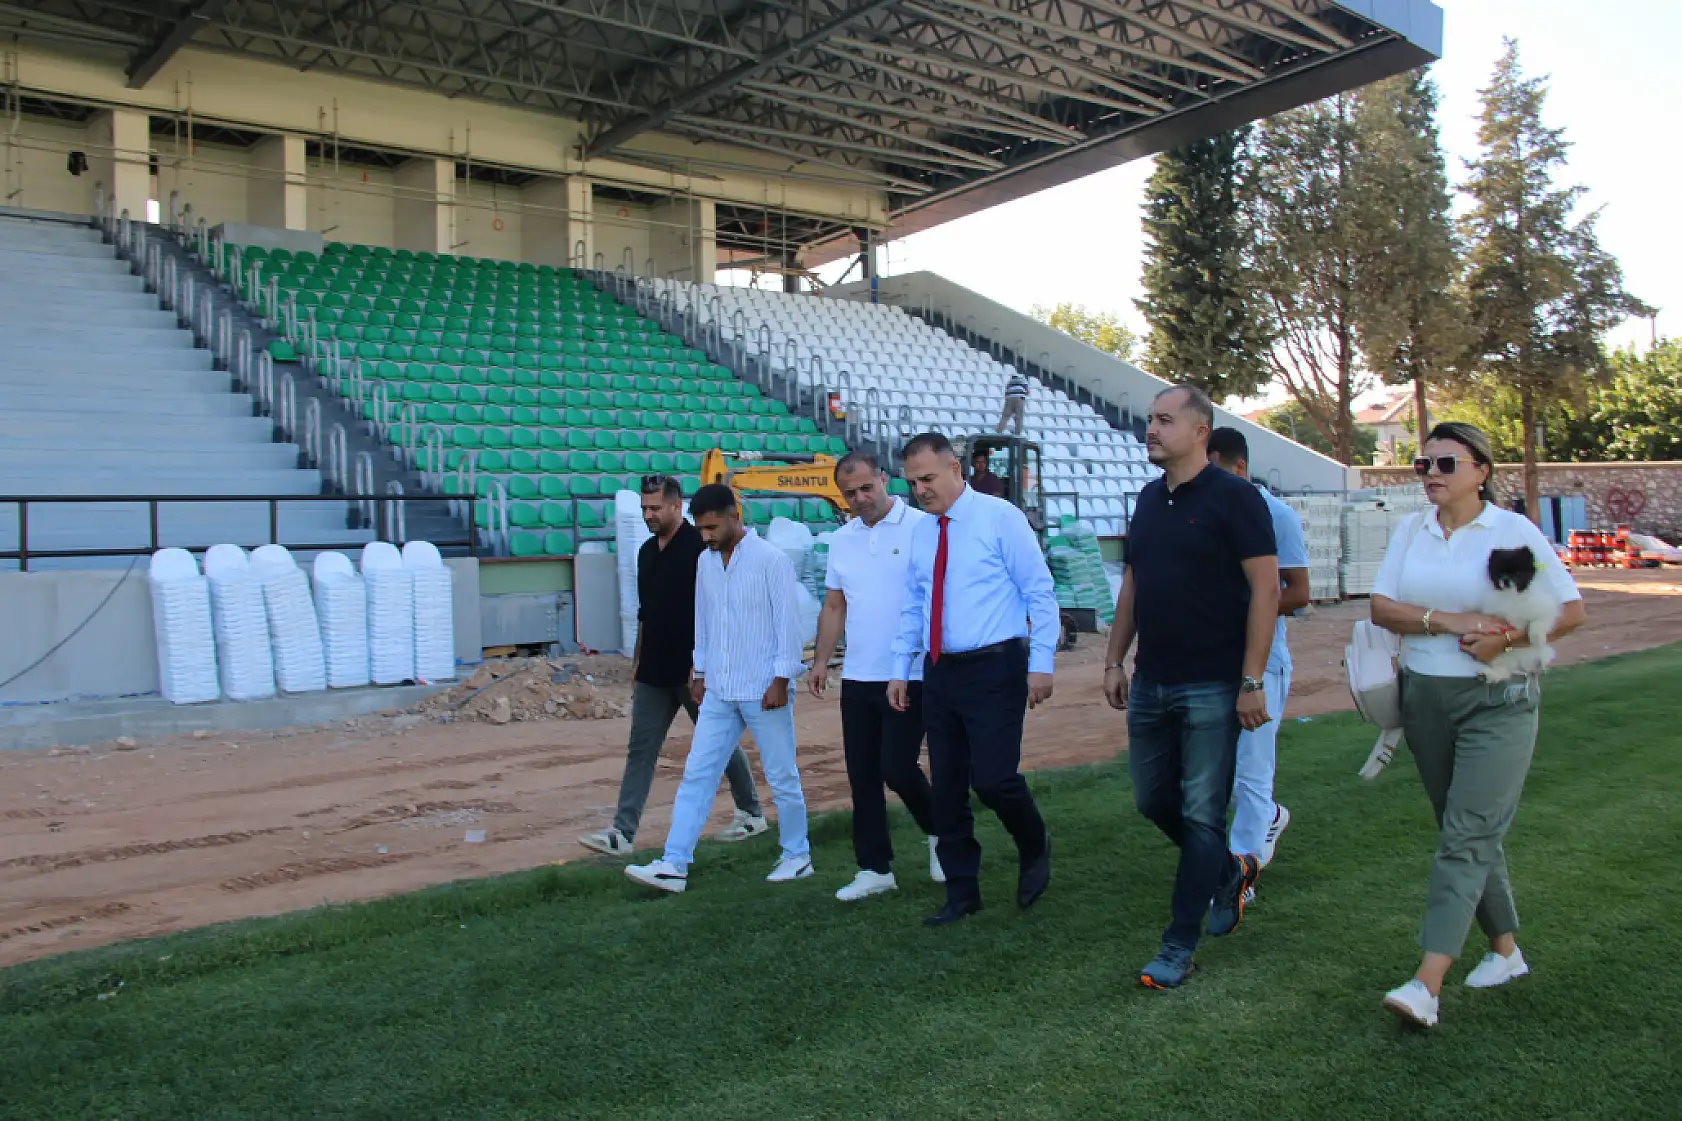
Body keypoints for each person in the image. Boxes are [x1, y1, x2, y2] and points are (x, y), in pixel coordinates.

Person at [1370, 422, 1585, 1028]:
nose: (1431, 475)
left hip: (1498, 700)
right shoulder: (1412, 530)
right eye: (1423, 465)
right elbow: (1382, 608)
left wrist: (1508, 639)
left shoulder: (1510, 531)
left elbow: (1572, 611)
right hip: (1425, 699)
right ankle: (1506, 953)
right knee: (1463, 829)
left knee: (1464, 836)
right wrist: (1447, 619)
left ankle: (1426, 982)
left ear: (1481, 471)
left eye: (1445, 464)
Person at [1102, 386, 1280, 990]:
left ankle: (1177, 946)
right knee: (1153, 801)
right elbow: (1133, 585)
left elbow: (1267, 592)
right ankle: (1229, 871)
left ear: (1201, 431)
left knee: (1203, 814)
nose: (1150, 429)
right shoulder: (1149, 501)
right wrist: (1113, 659)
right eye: (1149, 419)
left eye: (1164, 420)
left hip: (1213, 684)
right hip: (1152, 679)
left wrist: (1251, 680)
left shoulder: (1238, 500)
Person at [889, 432, 1057, 926]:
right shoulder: (922, 532)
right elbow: (916, 605)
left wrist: (1041, 662)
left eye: (928, 478)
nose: (920, 489)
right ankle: (962, 891)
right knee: (946, 788)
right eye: (913, 481)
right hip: (940, 671)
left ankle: (1034, 845)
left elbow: (1039, 591)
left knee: (994, 779)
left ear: (955, 469)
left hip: (996, 666)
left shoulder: (999, 517)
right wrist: (902, 668)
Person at [625, 484, 813, 894]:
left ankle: (797, 856)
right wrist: (701, 672)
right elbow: (705, 621)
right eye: (700, 529)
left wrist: (782, 680)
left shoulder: (771, 561)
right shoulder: (706, 563)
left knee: (781, 775)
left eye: (711, 528)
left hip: (765, 687)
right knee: (697, 773)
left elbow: (788, 626)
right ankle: (674, 863)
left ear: (734, 516)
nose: (705, 536)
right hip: (720, 689)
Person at [578, 476, 767, 857]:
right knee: (640, 750)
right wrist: (636, 661)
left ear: (676, 507)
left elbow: (719, 609)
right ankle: (622, 832)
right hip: (654, 670)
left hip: (696, 670)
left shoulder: (702, 547)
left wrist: (708, 665)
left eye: (654, 508)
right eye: (644, 508)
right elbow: (645, 613)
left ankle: (751, 813)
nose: (648, 515)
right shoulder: (645, 553)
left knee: (718, 743)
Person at [810, 451, 944, 902]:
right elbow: (834, 606)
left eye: (867, 488)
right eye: (850, 494)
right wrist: (819, 661)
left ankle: (940, 833)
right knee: (862, 774)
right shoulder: (841, 540)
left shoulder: (920, 528)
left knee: (898, 767)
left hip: (909, 671)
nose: (860, 499)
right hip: (858, 674)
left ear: (884, 480)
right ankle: (874, 867)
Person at [1206, 429, 1311, 893]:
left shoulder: (1277, 516)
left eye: (1216, 472)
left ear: (1240, 468)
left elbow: (1300, 591)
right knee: (1208, 769)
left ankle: (1238, 877)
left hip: (1264, 659)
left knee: (1251, 769)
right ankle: (1268, 816)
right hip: (1210, 659)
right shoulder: (1205, 513)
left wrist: (1247, 609)